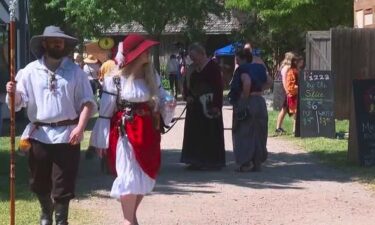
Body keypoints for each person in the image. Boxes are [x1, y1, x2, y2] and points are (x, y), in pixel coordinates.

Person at [5, 25, 96, 225]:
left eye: (61, 41)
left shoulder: (75, 72)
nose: (58, 43)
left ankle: (62, 220)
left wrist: (80, 128)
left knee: (64, 185)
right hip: (39, 136)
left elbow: (88, 102)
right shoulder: (29, 71)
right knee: (39, 181)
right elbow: (17, 105)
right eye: (54, 40)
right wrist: (12, 93)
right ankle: (46, 213)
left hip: (67, 134)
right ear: (44, 43)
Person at [89, 34, 175, 225]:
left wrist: (168, 103)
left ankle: (131, 220)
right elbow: (105, 113)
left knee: (144, 176)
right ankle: (129, 221)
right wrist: (101, 141)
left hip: (148, 135)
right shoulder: (114, 80)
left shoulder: (151, 76)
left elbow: (162, 98)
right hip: (125, 135)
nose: (148, 53)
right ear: (136, 54)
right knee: (128, 176)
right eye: (145, 50)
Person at [181, 43, 225, 170]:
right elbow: (186, 85)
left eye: (194, 56)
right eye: (191, 57)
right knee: (195, 133)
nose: (193, 59)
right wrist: (187, 96)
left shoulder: (213, 67)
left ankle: (211, 162)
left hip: (209, 105)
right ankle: (195, 160)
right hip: (194, 106)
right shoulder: (192, 69)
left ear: (201, 54)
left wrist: (217, 106)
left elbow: (218, 87)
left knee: (209, 132)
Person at [229, 48, 272, 172]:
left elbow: (246, 82)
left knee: (244, 131)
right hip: (260, 101)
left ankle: (245, 162)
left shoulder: (243, 69)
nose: (236, 62)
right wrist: (259, 90)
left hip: (248, 101)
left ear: (243, 59)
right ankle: (257, 161)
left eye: (237, 60)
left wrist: (245, 97)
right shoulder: (259, 68)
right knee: (260, 132)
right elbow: (269, 81)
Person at [275, 52, 295, 134]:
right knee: (286, 109)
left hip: (285, 90)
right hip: (285, 90)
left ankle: (278, 127)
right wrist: (287, 91)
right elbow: (284, 80)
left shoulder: (285, 67)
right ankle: (278, 127)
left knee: (285, 109)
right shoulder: (286, 67)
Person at [285, 55, 300, 134]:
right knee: (295, 113)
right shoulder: (291, 71)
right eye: (299, 61)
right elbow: (290, 85)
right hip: (294, 95)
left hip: (297, 94)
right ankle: (295, 129)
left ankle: (296, 129)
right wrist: (297, 88)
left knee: (296, 113)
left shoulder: (297, 70)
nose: (301, 63)